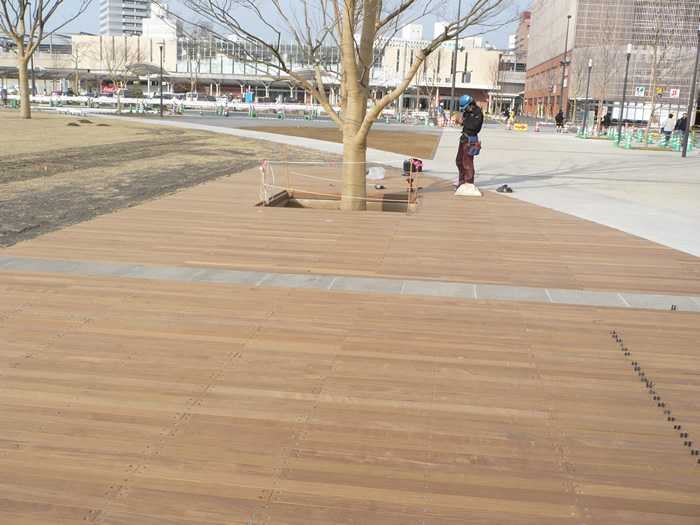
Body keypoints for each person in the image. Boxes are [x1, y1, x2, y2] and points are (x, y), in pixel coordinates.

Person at [454, 94, 484, 189]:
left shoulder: (478, 114)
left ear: (471, 104)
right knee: (459, 161)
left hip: (470, 140)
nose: (464, 109)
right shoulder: (467, 112)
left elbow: (475, 127)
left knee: (467, 162)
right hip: (464, 138)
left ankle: (469, 183)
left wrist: (463, 122)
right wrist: (460, 121)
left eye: (465, 107)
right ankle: (462, 181)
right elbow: (466, 123)